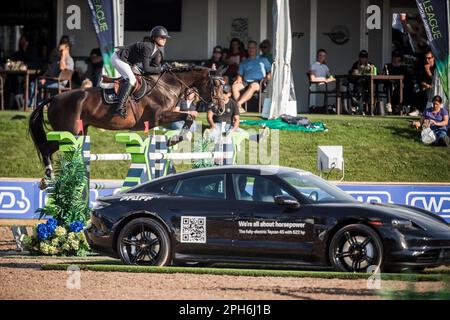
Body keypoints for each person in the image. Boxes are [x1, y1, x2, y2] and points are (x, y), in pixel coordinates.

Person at [111, 25, 171, 118]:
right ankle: (119, 108)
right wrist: (161, 68)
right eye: (162, 37)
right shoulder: (148, 47)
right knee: (131, 79)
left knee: (138, 78)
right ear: (154, 38)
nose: (164, 40)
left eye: (165, 38)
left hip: (129, 62)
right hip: (118, 58)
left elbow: (150, 71)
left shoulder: (157, 52)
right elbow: (146, 69)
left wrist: (163, 70)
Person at [231, 40, 271, 112]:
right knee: (235, 86)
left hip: (259, 82)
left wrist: (267, 76)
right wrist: (239, 78)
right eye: (249, 48)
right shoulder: (244, 62)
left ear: (256, 49)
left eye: (253, 47)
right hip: (246, 82)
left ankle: (238, 104)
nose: (251, 49)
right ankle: (240, 109)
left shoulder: (263, 60)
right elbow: (240, 74)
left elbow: (270, 71)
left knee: (253, 86)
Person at [411, 50, 436, 116]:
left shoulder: (437, 67)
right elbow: (420, 79)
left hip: (436, 87)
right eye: (425, 58)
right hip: (425, 86)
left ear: (433, 58)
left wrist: (428, 71)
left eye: (429, 58)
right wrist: (423, 83)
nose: (427, 60)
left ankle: (423, 110)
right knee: (415, 88)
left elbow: (435, 80)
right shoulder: (423, 66)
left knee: (427, 92)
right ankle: (417, 109)